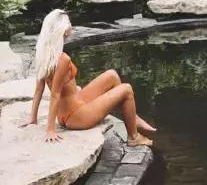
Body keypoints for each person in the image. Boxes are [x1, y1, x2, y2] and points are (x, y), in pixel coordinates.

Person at [22, 9, 155, 146]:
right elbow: (55, 94)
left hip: (73, 105)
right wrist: (50, 129)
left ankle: (133, 118)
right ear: (61, 30)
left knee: (112, 75)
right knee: (126, 89)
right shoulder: (62, 60)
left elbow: (39, 89)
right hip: (75, 116)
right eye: (69, 24)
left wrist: (33, 118)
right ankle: (134, 137)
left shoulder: (43, 53)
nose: (71, 27)